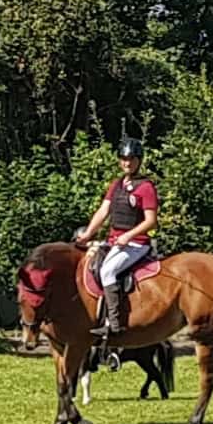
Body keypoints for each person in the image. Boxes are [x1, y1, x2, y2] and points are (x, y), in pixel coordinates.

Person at [76, 138, 159, 339]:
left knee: (108, 271)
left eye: (131, 159)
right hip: (115, 242)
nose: (127, 163)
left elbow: (151, 221)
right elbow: (103, 211)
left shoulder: (146, 187)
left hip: (136, 243)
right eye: (123, 159)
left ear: (139, 160)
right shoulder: (117, 185)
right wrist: (88, 233)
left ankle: (114, 323)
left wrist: (129, 235)